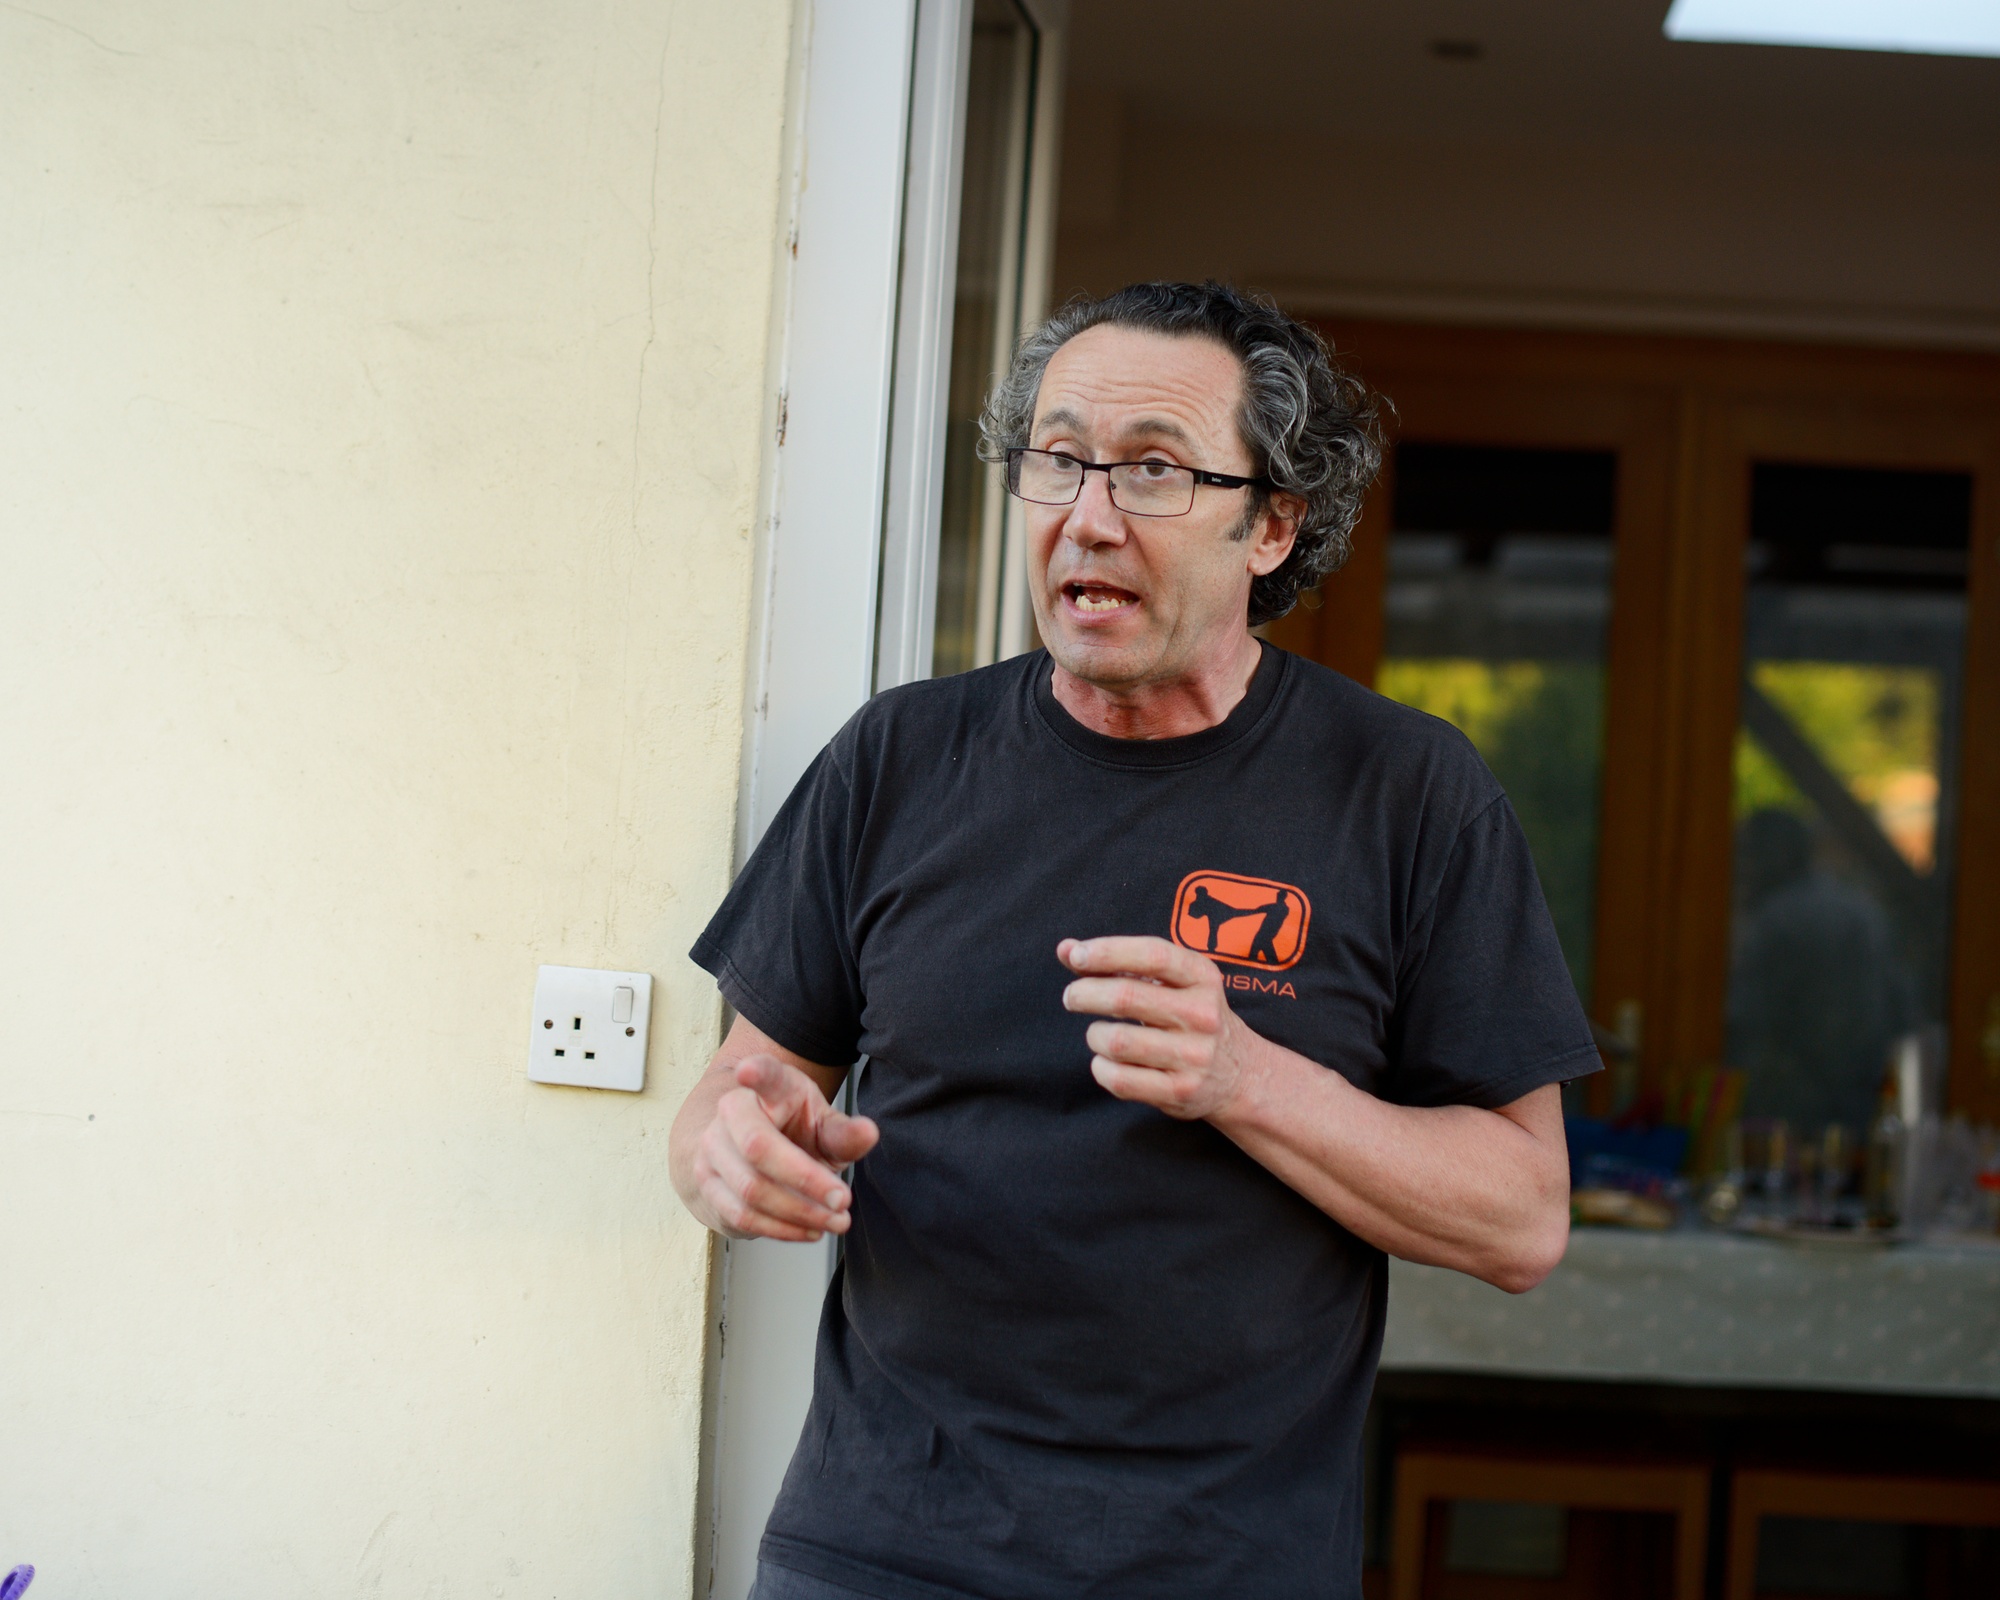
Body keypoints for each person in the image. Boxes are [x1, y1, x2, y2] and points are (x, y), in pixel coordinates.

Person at [670, 282, 1592, 1600]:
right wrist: (730, 1147)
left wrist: (1244, 1078)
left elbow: (1522, 1220)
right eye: (1057, 460)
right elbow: (738, 1087)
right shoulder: (899, 760)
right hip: (880, 1547)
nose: (1088, 516)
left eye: (1154, 470)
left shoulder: (1406, 795)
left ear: (1273, 524)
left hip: (1223, 1566)